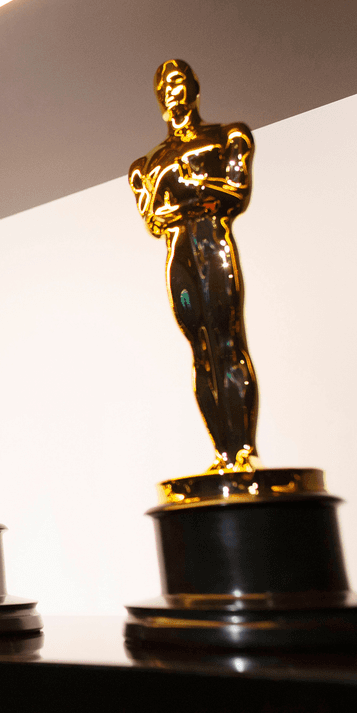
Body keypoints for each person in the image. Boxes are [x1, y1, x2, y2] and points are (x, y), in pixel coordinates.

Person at [129, 59, 259, 473]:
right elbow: (153, 221)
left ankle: (244, 451)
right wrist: (193, 192)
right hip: (179, 253)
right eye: (163, 86)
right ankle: (223, 452)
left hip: (211, 240)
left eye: (178, 82)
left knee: (227, 341)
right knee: (200, 351)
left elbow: (235, 192)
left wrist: (188, 191)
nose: (172, 91)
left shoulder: (227, 137)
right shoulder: (147, 164)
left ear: (194, 88)